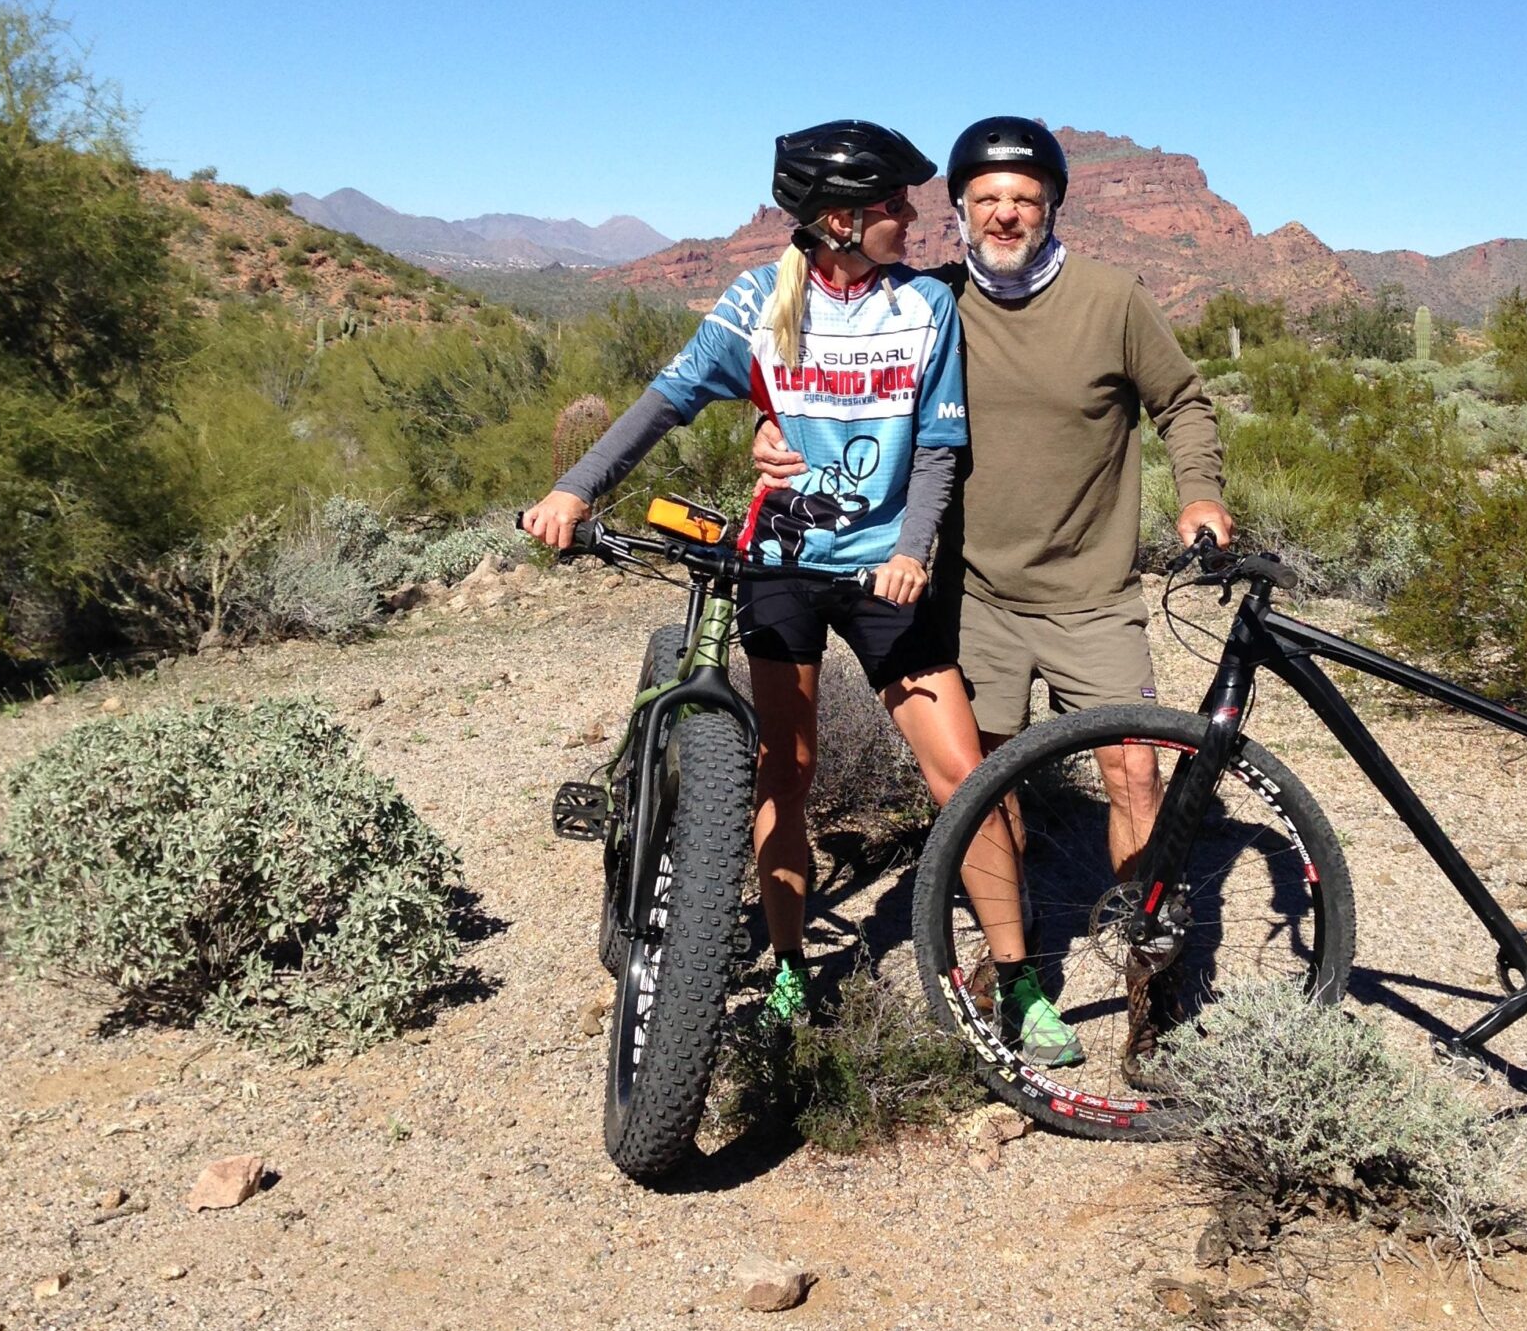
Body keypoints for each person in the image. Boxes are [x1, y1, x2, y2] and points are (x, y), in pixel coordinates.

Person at [523, 119, 1079, 1056]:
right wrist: (575, 488)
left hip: (884, 576)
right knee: (787, 771)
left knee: (962, 774)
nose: (914, 217)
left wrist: (911, 547)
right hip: (780, 565)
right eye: (895, 207)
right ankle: (788, 967)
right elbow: (664, 402)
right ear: (839, 222)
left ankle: (1019, 980)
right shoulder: (756, 303)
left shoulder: (925, 309)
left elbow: (939, 449)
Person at [754, 114, 1232, 1055]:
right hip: (974, 596)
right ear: (960, 212)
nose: (1006, 214)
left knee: (1135, 771)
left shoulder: (1113, 298)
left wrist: (1200, 495)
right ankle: (1012, 967)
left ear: (1051, 206)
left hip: (1093, 589)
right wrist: (769, 437)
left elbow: (1181, 400)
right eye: (988, 200)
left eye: (1025, 199)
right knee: (987, 785)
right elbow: (822, 371)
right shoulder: (927, 301)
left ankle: (1153, 988)